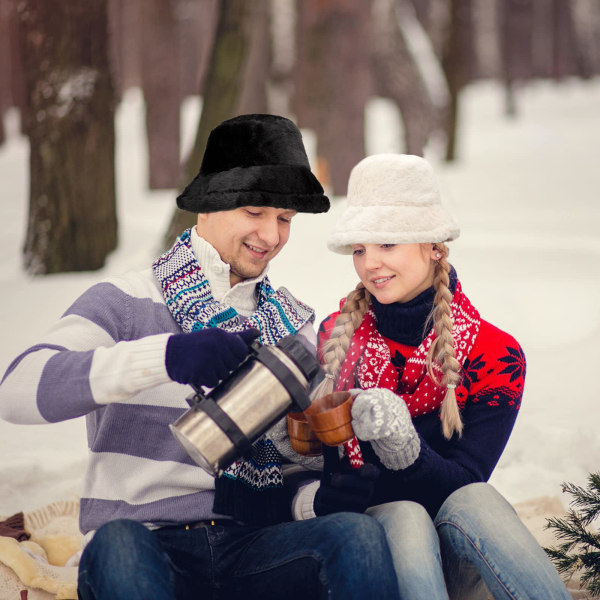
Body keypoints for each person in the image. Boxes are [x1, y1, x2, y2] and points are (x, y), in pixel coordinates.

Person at [0, 115, 400, 600]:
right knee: (119, 546)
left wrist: (320, 497)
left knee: (355, 538)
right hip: (145, 541)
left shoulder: (290, 324)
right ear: (209, 204)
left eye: (285, 220)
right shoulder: (128, 301)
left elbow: (294, 461)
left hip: (250, 544)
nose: (271, 236)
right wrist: (164, 357)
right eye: (255, 211)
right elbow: (17, 388)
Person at [288, 154, 571, 599]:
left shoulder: (494, 354)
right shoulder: (333, 341)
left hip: (458, 545)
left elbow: (465, 481)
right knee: (403, 514)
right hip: (374, 550)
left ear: (434, 246)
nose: (370, 265)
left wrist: (406, 448)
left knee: (477, 499)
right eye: (360, 249)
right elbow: (326, 474)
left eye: (387, 244)